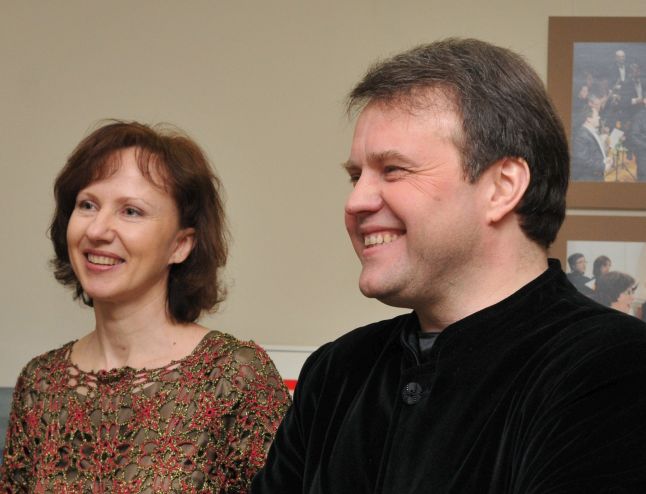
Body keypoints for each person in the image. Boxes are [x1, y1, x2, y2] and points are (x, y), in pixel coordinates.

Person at [252, 39, 646, 493]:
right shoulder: (336, 372)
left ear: (502, 187)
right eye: (355, 176)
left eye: (393, 169)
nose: (355, 201)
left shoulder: (614, 368)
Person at [0, 121, 291, 492]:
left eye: (131, 211)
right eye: (87, 205)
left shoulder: (235, 377)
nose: (97, 230)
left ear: (180, 245)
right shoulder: (40, 383)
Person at [571, 105, 612, 181]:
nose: (599, 117)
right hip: (588, 178)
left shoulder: (589, 132)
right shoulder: (581, 135)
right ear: (589, 119)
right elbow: (583, 160)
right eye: (597, 116)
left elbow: (592, 154)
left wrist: (604, 160)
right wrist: (603, 166)